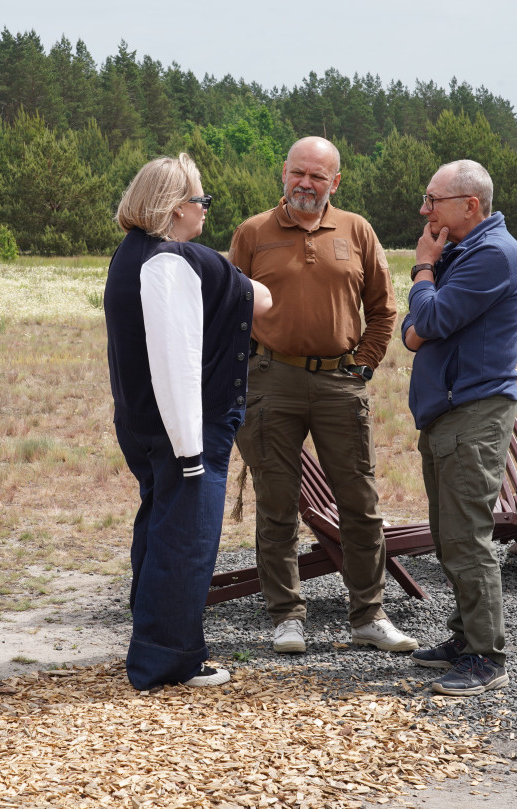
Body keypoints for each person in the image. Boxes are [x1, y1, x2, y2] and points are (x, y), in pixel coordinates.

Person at [229, 136, 416, 655]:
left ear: (336, 181)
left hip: (339, 383)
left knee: (359, 502)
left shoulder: (357, 230)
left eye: (317, 176)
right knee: (277, 503)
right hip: (271, 382)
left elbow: (382, 309)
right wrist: (244, 372)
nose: (305, 184)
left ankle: (369, 618)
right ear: (283, 174)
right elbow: (230, 310)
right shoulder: (253, 233)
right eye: (298, 173)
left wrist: (362, 365)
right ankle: (287, 617)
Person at [105, 153, 273, 691]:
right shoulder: (173, 262)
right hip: (183, 427)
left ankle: (153, 641)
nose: (205, 211)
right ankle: (168, 659)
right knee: (185, 541)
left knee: (159, 530)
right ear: (177, 209)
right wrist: (191, 448)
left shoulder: (128, 256)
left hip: (141, 422)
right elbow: (178, 359)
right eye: (201, 201)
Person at [400, 159, 517, 696]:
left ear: (470, 206)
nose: (424, 210)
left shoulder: (492, 257)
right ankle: (464, 637)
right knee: (449, 532)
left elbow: (425, 323)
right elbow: (412, 334)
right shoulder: (468, 251)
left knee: (466, 537)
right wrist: (425, 298)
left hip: (471, 413)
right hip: (450, 412)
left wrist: (422, 269)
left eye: (434, 200)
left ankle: (485, 655)